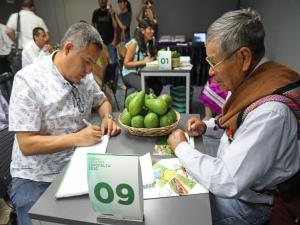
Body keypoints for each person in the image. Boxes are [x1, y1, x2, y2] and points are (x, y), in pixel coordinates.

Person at [168, 9, 300, 225]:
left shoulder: (270, 113)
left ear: (244, 57)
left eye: (214, 63)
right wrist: (208, 126)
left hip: (253, 205)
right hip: (245, 185)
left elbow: (226, 180)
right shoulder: (258, 78)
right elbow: (238, 119)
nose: (210, 72)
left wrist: (181, 147)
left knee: (187, 211)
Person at [8, 22, 120, 225]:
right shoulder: (28, 80)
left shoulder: (84, 78)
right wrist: (76, 139)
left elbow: (102, 100)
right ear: (68, 48)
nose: (88, 70)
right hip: (37, 177)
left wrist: (107, 117)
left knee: (110, 211)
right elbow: (27, 144)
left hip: (77, 163)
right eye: (86, 62)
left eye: (92, 64)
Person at [122, 18, 162, 96]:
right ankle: (145, 106)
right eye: (150, 29)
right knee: (144, 88)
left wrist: (157, 57)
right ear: (142, 31)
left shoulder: (151, 40)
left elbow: (154, 55)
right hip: (130, 73)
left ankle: (151, 105)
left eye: (153, 29)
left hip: (142, 72)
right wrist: (143, 62)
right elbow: (126, 64)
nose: (153, 31)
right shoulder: (134, 43)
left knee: (158, 85)